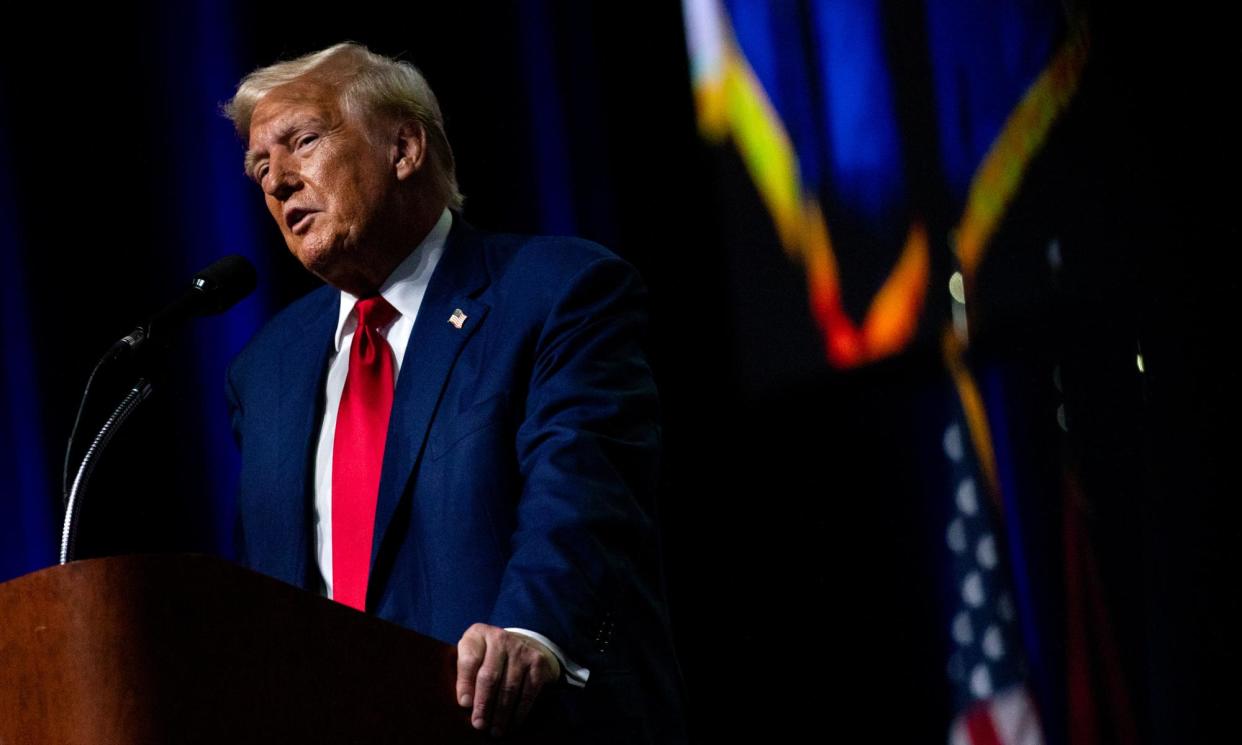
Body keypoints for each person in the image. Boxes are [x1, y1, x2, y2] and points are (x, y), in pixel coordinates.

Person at [222, 42, 685, 743]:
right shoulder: (265, 369)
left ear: (404, 147)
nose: (278, 182)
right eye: (260, 168)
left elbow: (585, 496)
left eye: (303, 142)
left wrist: (533, 631)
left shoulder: (557, 292)